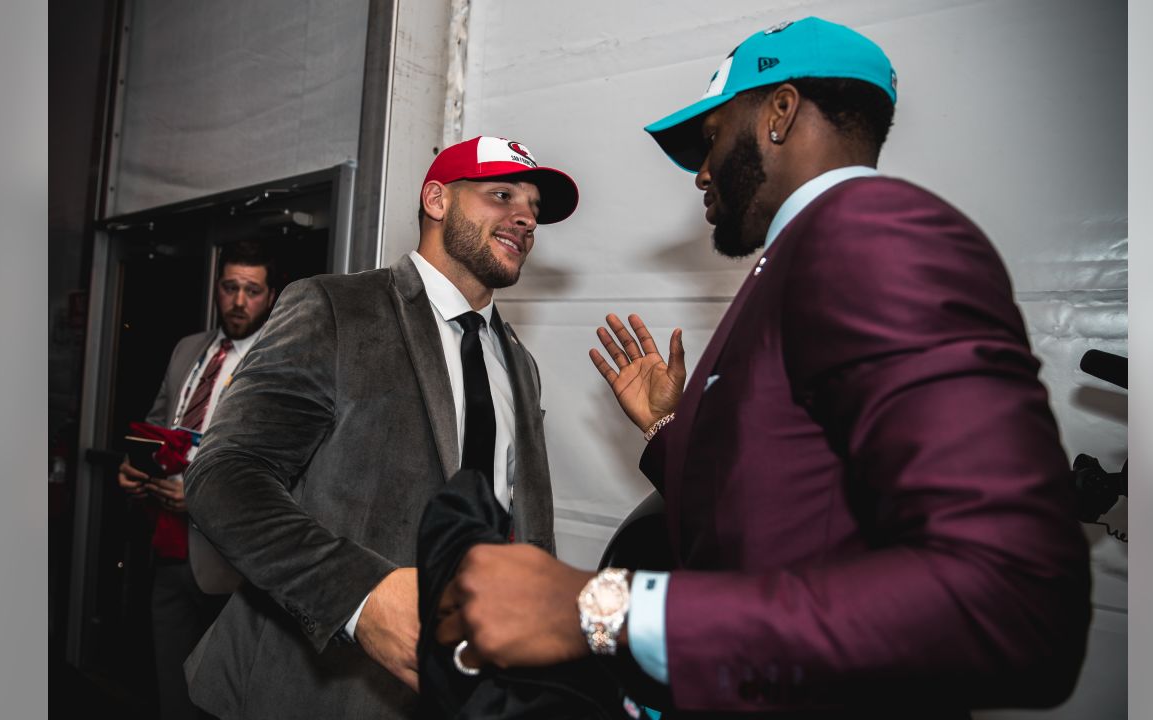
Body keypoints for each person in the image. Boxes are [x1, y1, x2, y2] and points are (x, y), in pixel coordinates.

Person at [436, 17, 1092, 718]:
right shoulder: (792, 260)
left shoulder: (869, 233)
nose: (703, 173)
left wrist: (606, 610)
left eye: (711, 140)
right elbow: (786, 511)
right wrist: (669, 426)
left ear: (779, 113)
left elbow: (1013, 601)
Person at [181, 136, 578, 719]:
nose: (525, 218)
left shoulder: (518, 363)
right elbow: (224, 477)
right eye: (502, 195)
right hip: (313, 690)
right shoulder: (335, 309)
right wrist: (360, 598)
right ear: (437, 200)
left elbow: (514, 521)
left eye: (534, 209)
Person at [117, 240, 280, 720]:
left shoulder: (278, 362)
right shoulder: (188, 347)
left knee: (223, 696)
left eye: (252, 290)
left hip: (231, 563)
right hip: (167, 547)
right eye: (230, 287)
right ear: (217, 287)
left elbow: (282, 466)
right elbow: (155, 422)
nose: (238, 301)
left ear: (270, 297)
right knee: (170, 685)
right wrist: (136, 468)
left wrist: (202, 494)